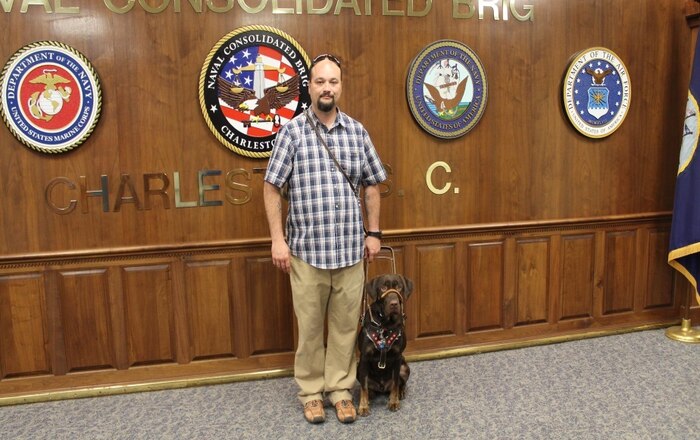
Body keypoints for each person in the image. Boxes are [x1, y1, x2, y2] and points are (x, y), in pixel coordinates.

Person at [263, 53, 387, 424]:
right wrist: (276, 240)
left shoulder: (357, 131)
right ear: (310, 86)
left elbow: (372, 185)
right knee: (311, 329)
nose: (327, 88)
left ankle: (338, 389)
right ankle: (311, 393)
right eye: (320, 81)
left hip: (350, 252)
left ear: (340, 86)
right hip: (306, 254)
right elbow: (271, 188)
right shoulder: (292, 131)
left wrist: (374, 232)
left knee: (347, 328)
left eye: (333, 81)